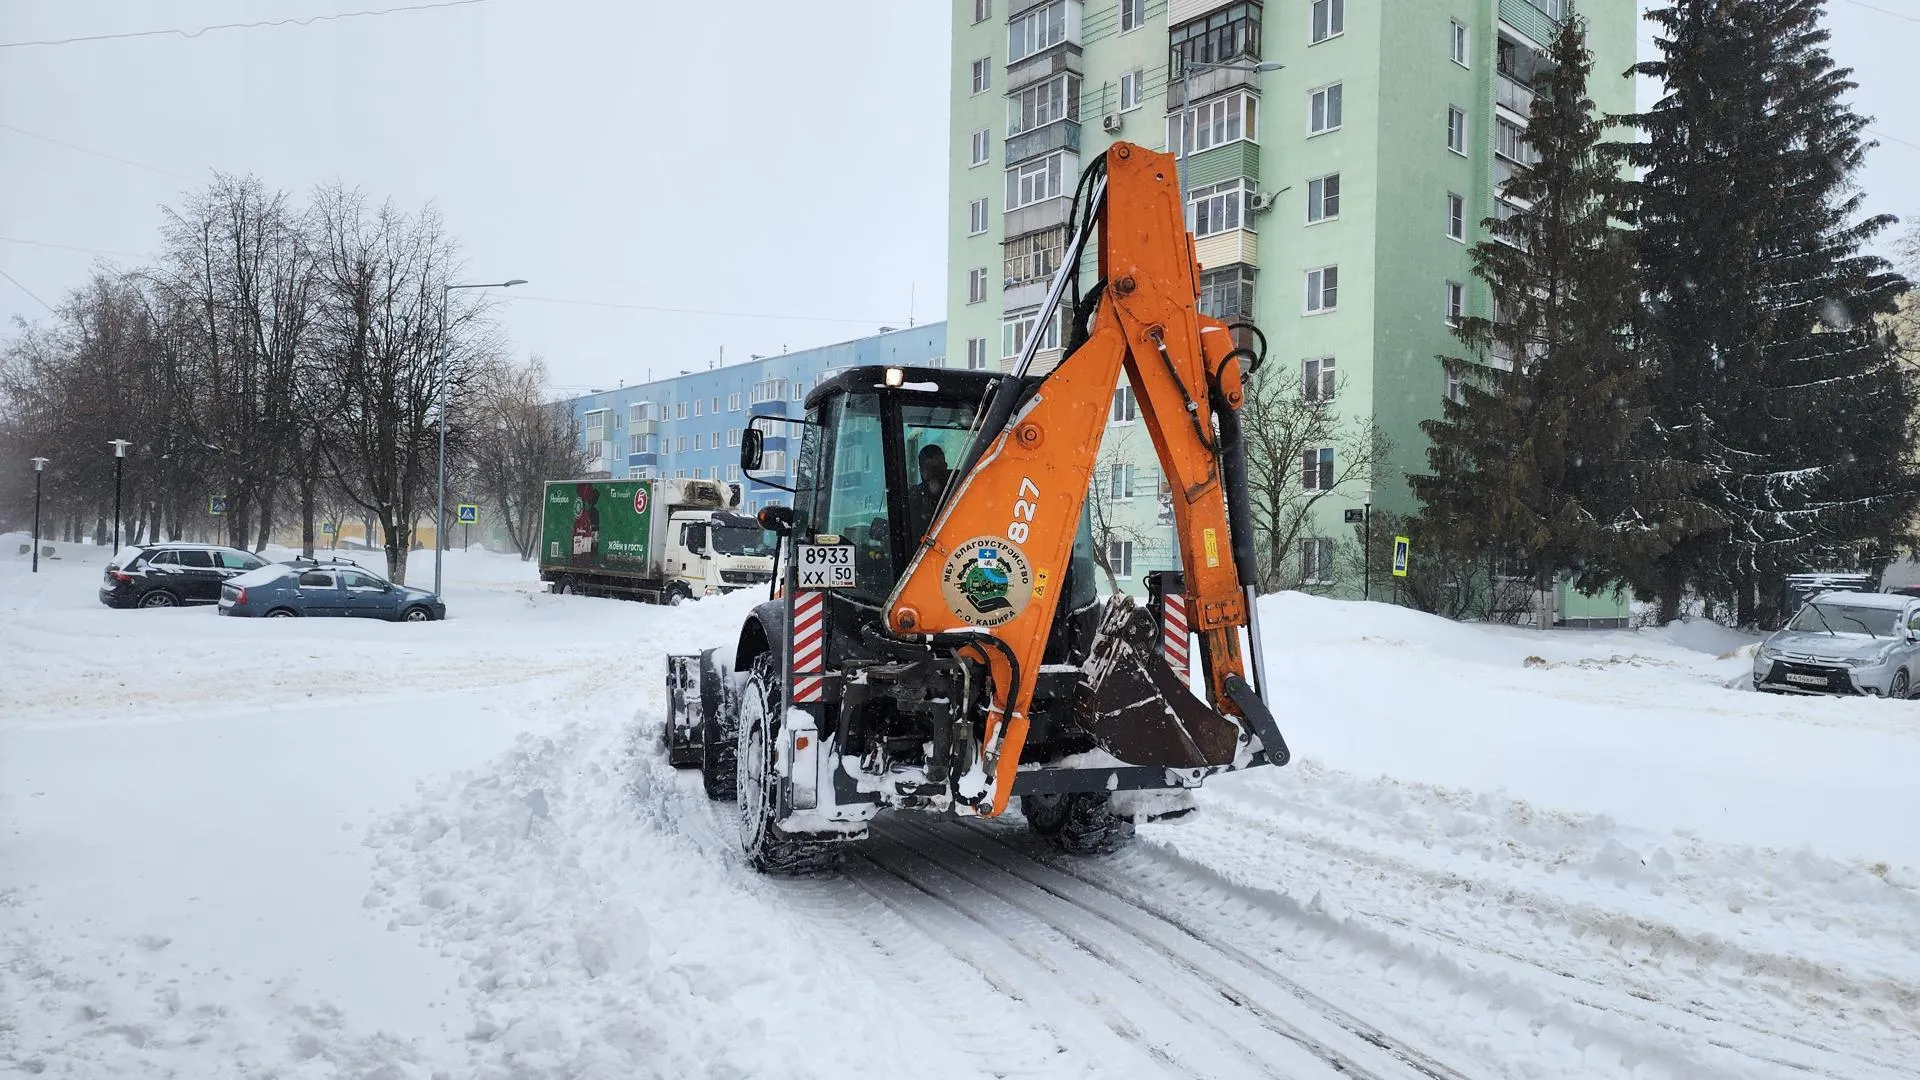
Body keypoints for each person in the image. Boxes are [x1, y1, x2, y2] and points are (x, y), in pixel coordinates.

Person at [909, 443, 952, 535]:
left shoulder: (962, 484)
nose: (933, 475)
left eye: (937, 469)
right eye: (928, 470)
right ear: (921, 471)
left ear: (945, 466)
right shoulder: (914, 497)